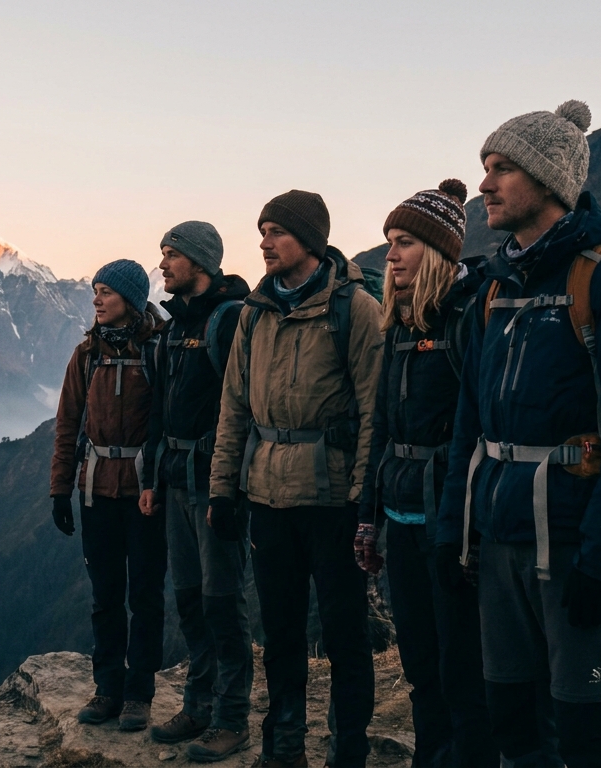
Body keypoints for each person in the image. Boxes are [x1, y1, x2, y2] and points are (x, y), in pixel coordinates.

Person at [434, 101, 601, 767]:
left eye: (502, 168)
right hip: (499, 545)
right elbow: (469, 428)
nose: (484, 184)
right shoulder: (494, 289)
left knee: (588, 729)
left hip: (573, 546)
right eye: (486, 167)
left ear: (548, 181)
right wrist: (453, 529)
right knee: (514, 726)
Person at [207, 190, 383, 768]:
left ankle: (346, 752)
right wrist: (223, 491)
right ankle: (282, 751)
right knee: (279, 635)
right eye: (262, 231)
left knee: (344, 635)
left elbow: (372, 412)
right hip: (267, 499)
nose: (263, 242)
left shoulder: (352, 309)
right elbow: (233, 407)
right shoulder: (254, 314)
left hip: (333, 501)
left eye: (276, 231)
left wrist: (364, 502)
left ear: (309, 240)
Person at [358, 179, 497, 767]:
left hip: (450, 524)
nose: (390, 254)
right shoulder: (400, 328)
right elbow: (382, 430)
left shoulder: (468, 319)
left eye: (406, 242)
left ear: (439, 252)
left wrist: (462, 528)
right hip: (400, 514)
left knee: (460, 661)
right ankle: (431, 756)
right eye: (390, 240)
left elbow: (479, 432)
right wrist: (367, 519)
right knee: (419, 659)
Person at [137, 221, 255, 761]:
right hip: (175, 483)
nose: (162, 264)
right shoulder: (173, 326)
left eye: (171, 255)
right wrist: (149, 479)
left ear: (200, 262)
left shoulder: (228, 320)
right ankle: (198, 704)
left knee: (222, 603)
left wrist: (228, 488)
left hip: (213, 485)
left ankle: (232, 718)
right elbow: (160, 409)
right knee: (189, 600)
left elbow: (245, 407)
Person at [50, 259, 167, 732]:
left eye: (105, 292)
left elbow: (167, 423)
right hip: (95, 489)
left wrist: (159, 483)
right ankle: (107, 690)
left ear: (131, 300)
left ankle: (138, 694)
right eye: (95, 291)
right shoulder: (87, 355)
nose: (96, 300)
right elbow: (67, 425)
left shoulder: (158, 353)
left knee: (145, 594)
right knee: (105, 596)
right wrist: (61, 489)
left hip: (143, 493)